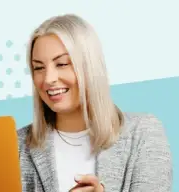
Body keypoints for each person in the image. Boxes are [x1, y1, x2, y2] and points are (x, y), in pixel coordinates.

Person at [17, 14, 172, 192]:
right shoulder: (17, 146)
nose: (49, 79)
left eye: (62, 64)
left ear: (90, 66)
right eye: (39, 68)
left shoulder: (143, 134)